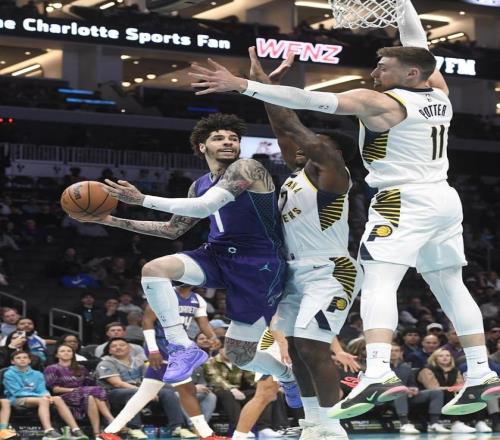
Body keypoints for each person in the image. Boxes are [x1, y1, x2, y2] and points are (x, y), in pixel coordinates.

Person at [188, 0, 500, 417]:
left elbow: (307, 100)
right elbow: (418, 43)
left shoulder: (383, 104)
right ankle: (481, 372)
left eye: (382, 67)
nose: (374, 74)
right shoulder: (439, 94)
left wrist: (242, 85)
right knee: (450, 283)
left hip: (402, 199)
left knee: (379, 280)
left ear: (410, 74)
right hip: (443, 198)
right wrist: (403, 5)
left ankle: (378, 372)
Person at [75, 114, 299, 404]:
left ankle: (287, 376)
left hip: (259, 264)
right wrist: (109, 220)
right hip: (217, 253)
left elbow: (205, 207)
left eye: (233, 138)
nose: (228, 142)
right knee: (155, 269)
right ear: (202, 146)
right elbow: (172, 230)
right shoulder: (199, 184)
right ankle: (182, 346)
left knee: (239, 355)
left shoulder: (248, 168)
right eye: (219, 138)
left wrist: (142, 200)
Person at [245, 47, 362, 439]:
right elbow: (284, 132)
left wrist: (265, 89)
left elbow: (295, 130)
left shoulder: (334, 178)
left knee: (313, 347)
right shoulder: (299, 174)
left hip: (331, 270)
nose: (302, 146)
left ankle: (333, 426)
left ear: (332, 153)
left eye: (315, 143)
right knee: (296, 349)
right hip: (296, 271)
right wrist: (267, 91)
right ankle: (314, 423)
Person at [97, 305, 226, 440]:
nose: (118, 348)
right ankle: (205, 434)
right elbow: (147, 323)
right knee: (185, 392)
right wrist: (153, 351)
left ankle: (109, 432)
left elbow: (201, 322)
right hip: (154, 361)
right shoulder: (159, 300)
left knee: (148, 396)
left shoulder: (194, 301)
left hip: (166, 359)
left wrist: (212, 337)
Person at [95, 338, 190, 440]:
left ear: (129, 348)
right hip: (114, 393)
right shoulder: (106, 362)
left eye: (122, 345)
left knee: (167, 393)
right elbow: (117, 383)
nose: (118, 347)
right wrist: (144, 392)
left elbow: (149, 379)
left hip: (139, 389)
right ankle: (134, 428)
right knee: (134, 393)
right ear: (109, 350)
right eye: (114, 346)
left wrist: (150, 391)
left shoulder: (139, 361)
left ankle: (177, 427)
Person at [3, 351, 88, 440]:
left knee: (57, 399)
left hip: (37, 398)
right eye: (18, 358)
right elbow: (17, 392)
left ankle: (75, 429)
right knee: (43, 400)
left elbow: (42, 389)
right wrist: (41, 397)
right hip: (17, 399)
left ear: (29, 360)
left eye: (25, 357)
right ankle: (48, 431)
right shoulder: (9, 374)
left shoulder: (37, 374)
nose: (22, 360)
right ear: (12, 361)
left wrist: (47, 395)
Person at [44, 344, 115, 437]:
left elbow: (90, 384)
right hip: (65, 395)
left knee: (91, 396)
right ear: (57, 355)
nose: (66, 353)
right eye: (62, 351)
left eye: (69, 351)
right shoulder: (51, 368)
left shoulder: (81, 368)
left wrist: (83, 390)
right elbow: (56, 389)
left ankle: (96, 433)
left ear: (73, 354)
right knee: (95, 391)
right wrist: (75, 390)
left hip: (85, 394)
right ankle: (110, 418)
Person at [389, 342, 449, 434]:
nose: (393, 353)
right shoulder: (381, 368)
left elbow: (412, 383)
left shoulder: (406, 367)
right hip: (388, 397)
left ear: (401, 353)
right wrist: (404, 389)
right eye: (391, 351)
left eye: (396, 351)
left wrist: (414, 389)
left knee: (436, 392)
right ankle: (404, 424)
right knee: (400, 391)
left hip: (407, 395)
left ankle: (434, 423)